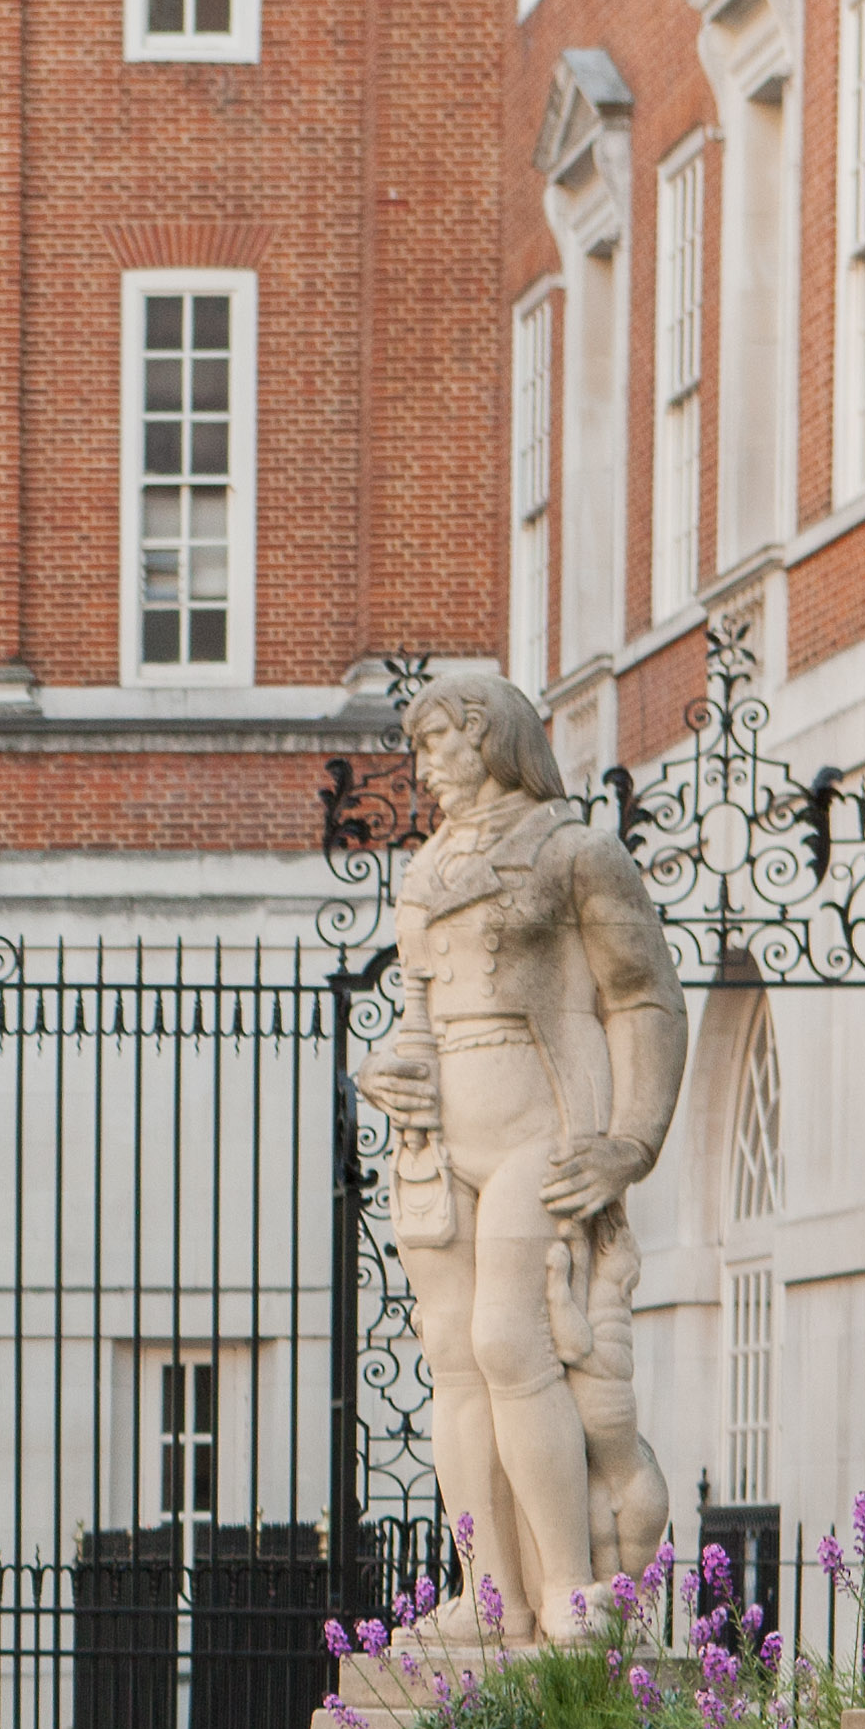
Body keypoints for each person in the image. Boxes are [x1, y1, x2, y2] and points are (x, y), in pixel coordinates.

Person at [359, 672, 683, 1641]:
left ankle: (569, 1589)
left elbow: (644, 998)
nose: (426, 770)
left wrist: (633, 1140)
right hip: (439, 1139)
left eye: (437, 746)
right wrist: (390, 1073)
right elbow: (414, 1021)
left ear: (490, 741)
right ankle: (486, 1593)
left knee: (511, 1341)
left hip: (541, 1127)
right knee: (453, 1362)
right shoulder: (424, 874)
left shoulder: (575, 852)